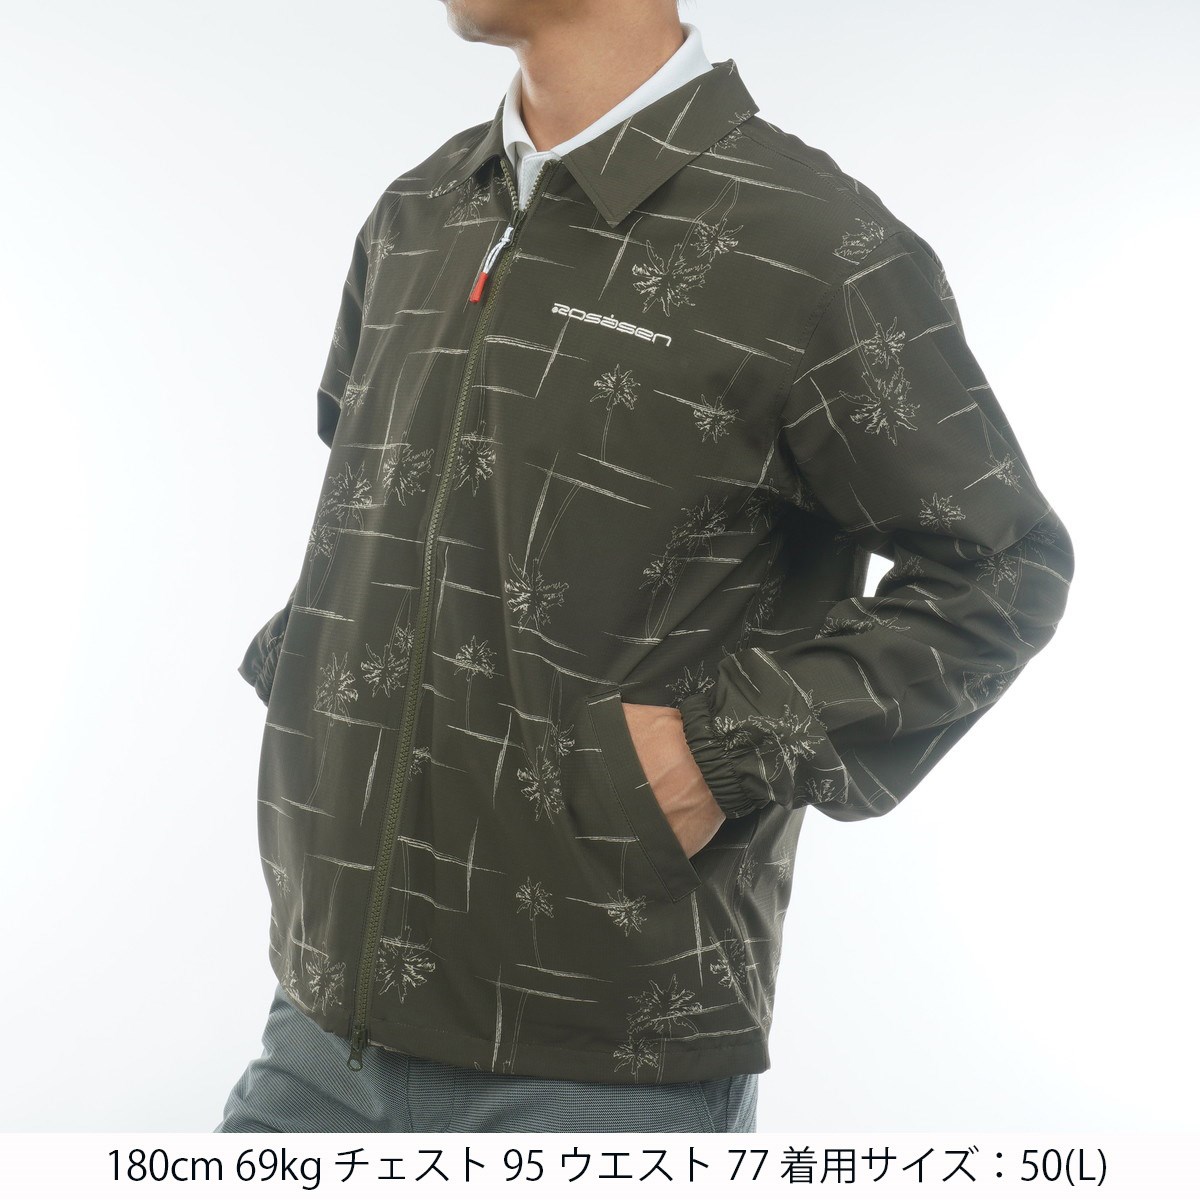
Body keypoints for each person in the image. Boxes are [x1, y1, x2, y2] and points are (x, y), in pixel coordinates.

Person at [216, 0, 1075, 1134]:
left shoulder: (816, 248)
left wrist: (716, 750)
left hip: (596, 1065)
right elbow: (375, 490)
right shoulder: (420, 212)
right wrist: (313, 667)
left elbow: (1001, 568)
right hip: (322, 1024)